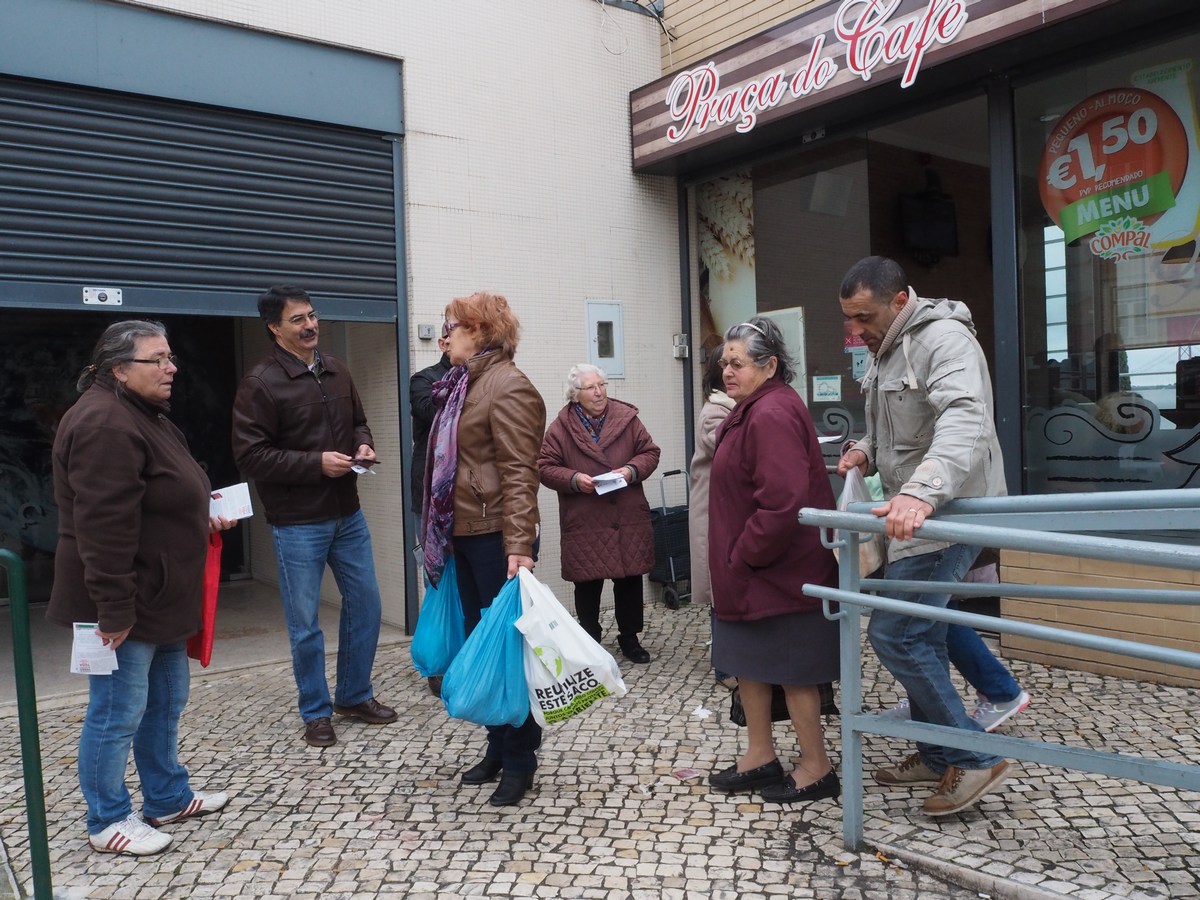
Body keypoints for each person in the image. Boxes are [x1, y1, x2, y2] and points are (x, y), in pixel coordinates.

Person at [48, 320, 235, 857]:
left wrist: (202, 513)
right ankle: (107, 820)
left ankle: (167, 795)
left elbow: (164, 491)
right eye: (158, 359)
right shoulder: (105, 423)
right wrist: (113, 610)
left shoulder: (142, 414)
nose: (171, 368)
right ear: (119, 369)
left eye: (170, 357)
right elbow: (102, 528)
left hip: (161, 595)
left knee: (165, 701)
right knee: (116, 711)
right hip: (124, 601)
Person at [836, 255, 1014, 816]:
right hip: (912, 517)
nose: (855, 330)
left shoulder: (944, 339)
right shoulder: (886, 348)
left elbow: (965, 417)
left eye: (863, 317)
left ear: (898, 300)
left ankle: (978, 757)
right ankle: (939, 756)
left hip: (944, 513)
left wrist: (923, 490)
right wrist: (866, 447)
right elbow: (899, 425)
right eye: (850, 319)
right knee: (922, 636)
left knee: (898, 635)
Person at [232, 285, 397, 748]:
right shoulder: (260, 383)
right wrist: (315, 464)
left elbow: (359, 420)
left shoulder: (337, 369)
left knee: (366, 605)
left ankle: (354, 695)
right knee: (305, 623)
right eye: (297, 320)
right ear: (274, 328)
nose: (310, 325)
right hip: (296, 521)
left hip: (348, 513)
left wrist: (362, 443)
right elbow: (251, 456)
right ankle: (316, 712)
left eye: (312, 315)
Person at [707, 317, 841, 805]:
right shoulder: (753, 408)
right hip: (751, 573)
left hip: (781, 572)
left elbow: (782, 504)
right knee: (751, 664)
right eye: (725, 362)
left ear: (770, 365)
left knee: (794, 669)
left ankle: (816, 766)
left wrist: (742, 556)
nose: (727, 371)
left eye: (737, 363)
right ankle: (759, 755)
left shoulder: (772, 413)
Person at [423, 290, 546, 807]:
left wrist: (520, 543)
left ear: (481, 330)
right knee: (481, 646)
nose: (442, 335)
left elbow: (521, 473)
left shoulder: (508, 385)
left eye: (451, 325)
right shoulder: (461, 384)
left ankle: (520, 760)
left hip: (499, 537)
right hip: (466, 535)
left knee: (507, 654)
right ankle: (498, 745)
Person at [538, 364, 661, 664]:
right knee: (588, 582)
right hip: (585, 516)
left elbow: (650, 452)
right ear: (575, 394)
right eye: (591, 387)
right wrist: (574, 480)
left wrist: (631, 470)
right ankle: (589, 638)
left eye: (602, 385)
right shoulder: (561, 427)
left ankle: (630, 638)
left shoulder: (627, 419)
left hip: (626, 514)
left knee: (629, 578)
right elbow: (545, 467)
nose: (599, 392)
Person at [688, 344, 738, 689]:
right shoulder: (716, 412)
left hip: (725, 510)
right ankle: (724, 667)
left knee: (727, 589)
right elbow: (732, 451)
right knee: (721, 593)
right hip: (714, 512)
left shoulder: (731, 408)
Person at [410, 326, 452, 515]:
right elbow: (430, 413)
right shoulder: (423, 379)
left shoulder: (480, 378)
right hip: (431, 487)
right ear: (443, 344)